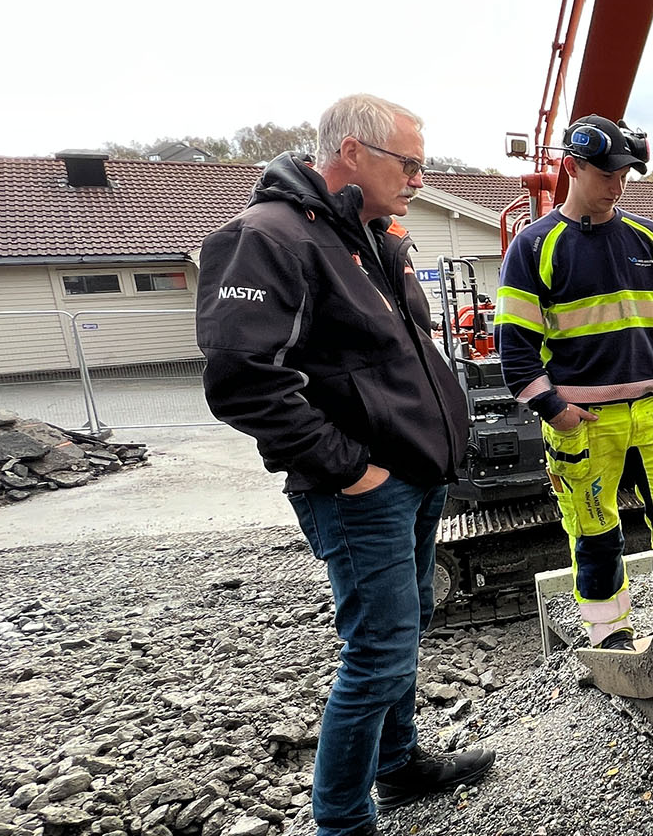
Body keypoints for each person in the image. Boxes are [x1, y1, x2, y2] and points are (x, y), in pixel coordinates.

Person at [195, 94, 494, 836]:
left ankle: (397, 767)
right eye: (411, 164)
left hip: (412, 479)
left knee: (405, 629)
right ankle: (341, 821)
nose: (421, 180)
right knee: (378, 654)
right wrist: (351, 468)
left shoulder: (368, 237)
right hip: (363, 491)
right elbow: (241, 380)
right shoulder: (269, 237)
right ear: (352, 152)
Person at [494, 114, 653, 650]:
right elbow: (514, 344)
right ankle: (609, 638)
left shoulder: (649, 237)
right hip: (583, 423)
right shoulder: (535, 246)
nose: (617, 185)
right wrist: (551, 406)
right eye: (606, 173)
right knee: (595, 538)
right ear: (572, 166)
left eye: (625, 174)